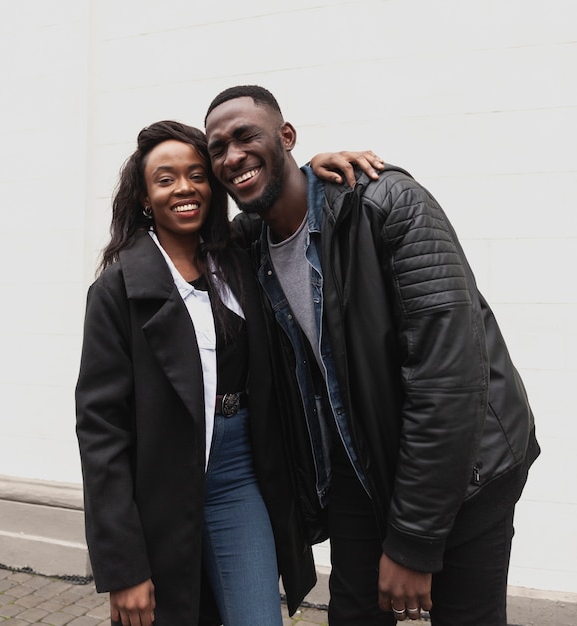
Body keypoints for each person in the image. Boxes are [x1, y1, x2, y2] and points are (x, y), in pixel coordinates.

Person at [204, 85, 541, 626]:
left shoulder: (388, 204)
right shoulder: (250, 247)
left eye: (246, 137)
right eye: (217, 148)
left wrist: (413, 542)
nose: (231, 156)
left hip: (469, 465)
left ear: (285, 136)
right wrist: (308, 170)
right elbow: (182, 229)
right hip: (360, 466)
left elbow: (448, 381)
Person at [75, 120, 383, 625]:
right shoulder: (116, 292)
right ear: (145, 198)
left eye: (197, 175)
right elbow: (100, 433)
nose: (185, 188)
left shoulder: (237, 254)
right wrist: (122, 568)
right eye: (166, 179)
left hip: (238, 473)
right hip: (160, 485)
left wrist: (310, 173)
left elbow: (282, 203)